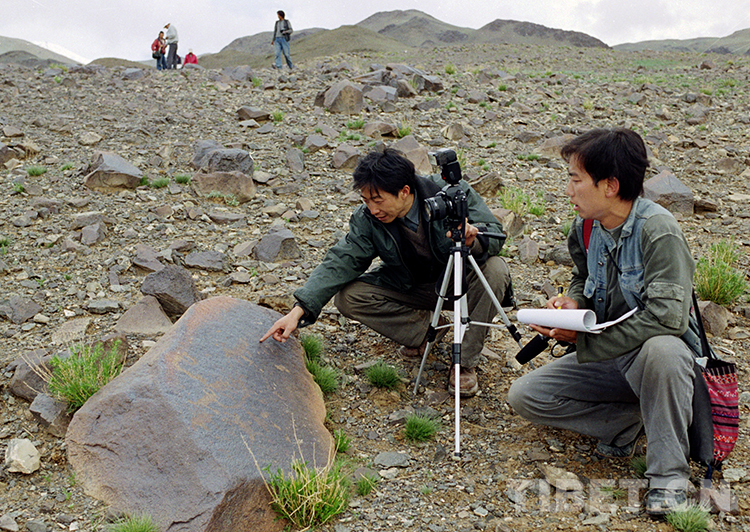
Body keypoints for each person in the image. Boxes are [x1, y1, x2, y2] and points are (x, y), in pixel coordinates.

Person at [507, 128, 701, 517]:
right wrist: (573, 303)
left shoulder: (658, 231)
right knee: (526, 396)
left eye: (575, 180)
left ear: (610, 186)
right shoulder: (585, 227)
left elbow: (668, 317)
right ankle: (632, 423)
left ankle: (669, 480)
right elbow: (582, 277)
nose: (568, 191)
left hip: (655, 360)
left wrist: (584, 339)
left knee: (663, 352)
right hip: (610, 356)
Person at [260, 148, 511, 397]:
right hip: (412, 286)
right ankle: (426, 331)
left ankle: (464, 362)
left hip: (462, 284)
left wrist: (472, 240)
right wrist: (298, 310)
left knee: (496, 270)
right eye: (366, 200)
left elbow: (495, 233)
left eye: (378, 200)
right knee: (349, 297)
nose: (372, 209)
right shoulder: (368, 219)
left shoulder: (451, 193)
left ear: (404, 191)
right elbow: (341, 260)